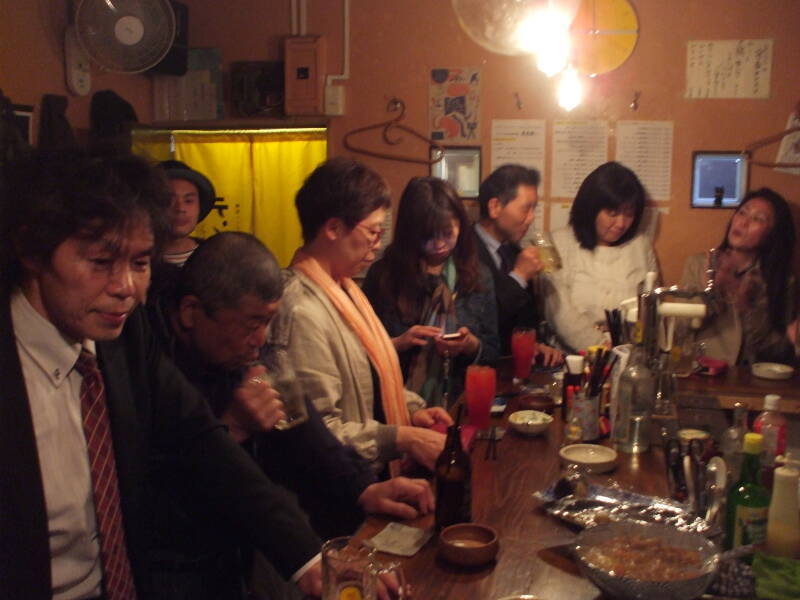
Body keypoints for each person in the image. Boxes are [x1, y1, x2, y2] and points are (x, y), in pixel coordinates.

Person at [0, 150, 322, 599]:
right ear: (33, 252)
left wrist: (308, 557)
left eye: (140, 263)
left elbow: (202, 439)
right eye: (100, 262)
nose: (126, 288)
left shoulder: (125, 336)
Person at [265, 157, 452, 477]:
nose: (377, 246)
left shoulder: (345, 290)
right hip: (340, 490)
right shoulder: (301, 310)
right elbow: (319, 432)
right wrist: (402, 437)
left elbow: (364, 379)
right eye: (373, 232)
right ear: (333, 228)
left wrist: (410, 409)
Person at [363, 177, 500, 407]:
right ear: (409, 232)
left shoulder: (477, 275)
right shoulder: (385, 275)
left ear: (460, 224)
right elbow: (361, 352)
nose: (438, 244)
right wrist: (398, 343)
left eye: (447, 233)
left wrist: (470, 345)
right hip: (397, 405)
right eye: (427, 236)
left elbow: (494, 352)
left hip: (461, 404)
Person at [543, 161, 658, 352]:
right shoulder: (558, 243)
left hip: (630, 354)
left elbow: (651, 309)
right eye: (612, 213)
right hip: (574, 356)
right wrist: (601, 347)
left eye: (629, 214)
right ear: (590, 209)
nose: (621, 223)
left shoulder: (640, 246)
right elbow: (559, 312)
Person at [681, 188, 798, 366]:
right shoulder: (698, 264)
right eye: (742, 213)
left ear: (772, 234)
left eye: (758, 219)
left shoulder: (782, 280)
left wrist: (748, 308)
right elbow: (682, 326)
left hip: (754, 377)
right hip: (705, 370)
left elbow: (779, 349)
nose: (743, 222)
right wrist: (710, 293)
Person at [474, 163, 563, 364]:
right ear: (495, 207)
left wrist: (534, 344)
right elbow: (483, 323)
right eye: (526, 209)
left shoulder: (514, 251)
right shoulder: (465, 252)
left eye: (534, 209)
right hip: (477, 373)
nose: (531, 218)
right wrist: (519, 276)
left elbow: (524, 322)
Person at [160, 159, 216, 267]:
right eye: (168, 201)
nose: (180, 208)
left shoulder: (214, 257)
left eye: (188, 201)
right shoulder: (134, 258)